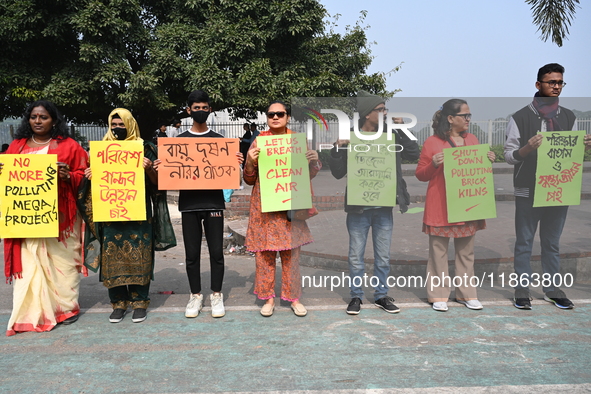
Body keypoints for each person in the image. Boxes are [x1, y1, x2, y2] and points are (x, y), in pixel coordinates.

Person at [504, 63, 591, 310]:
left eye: (560, 82)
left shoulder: (569, 117)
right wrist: (527, 148)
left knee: (552, 243)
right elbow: (509, 156)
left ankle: (552, 289)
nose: (556, 86)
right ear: (538, 84)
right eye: (551, 82)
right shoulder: (519, 117)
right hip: (528, 190)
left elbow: (571, 155)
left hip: (558, 189)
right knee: (524, 241)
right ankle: (521, 289)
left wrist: (583, 146)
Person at [79, 108, 176, 323]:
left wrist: (149, 168)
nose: (117, 129)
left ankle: (140, 301)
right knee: (112, 256)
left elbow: (159, 185)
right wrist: (91, 176)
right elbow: (94, 185)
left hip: (138, 214)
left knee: (140, 255)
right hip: (110, 214)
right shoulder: (101, 150)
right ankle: (118, 302)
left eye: (121, 125)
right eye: (113, 125)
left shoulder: (145, 148)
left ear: (130, 125)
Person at [2, 100, 88, 336]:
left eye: (43, 117)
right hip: (28, 219)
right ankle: (31, 314)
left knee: (63, 263)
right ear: (28, 120)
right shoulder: (17, 146)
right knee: (31, 266)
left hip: (62, 219)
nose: (38, 121)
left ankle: (66, 309)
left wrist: (68, 175)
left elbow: (85, 174)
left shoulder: (68, 145)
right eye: (33, 117)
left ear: (54, 120)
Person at [329, 91, 419, 315]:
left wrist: (401, 127)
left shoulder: (391, 134)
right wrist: (339, 148)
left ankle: (381, 295)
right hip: (358, 209)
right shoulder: (351, 136)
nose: (385, 113)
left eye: (385, 109)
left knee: (383, 256)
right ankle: (356, 296)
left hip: (383, 208)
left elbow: (413, 152)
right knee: (356, 255)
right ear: (368, 114)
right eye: (381, 109)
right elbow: (338, 173)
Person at [416, 99, 495, 312]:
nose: (469, 119)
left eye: (469, 115)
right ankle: (438, 295)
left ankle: (467, 294)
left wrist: (488, 159)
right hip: (441, 207)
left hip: (468, 205)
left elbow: (478, 171)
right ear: (451, 119)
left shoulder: (473, 139)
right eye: (465, 115)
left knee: (466, 253)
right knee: (438, 253)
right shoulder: (432, 142)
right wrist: (433, 164)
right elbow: (420, 174)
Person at [243, 100, 320, 317]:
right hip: (265, 209)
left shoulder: (297, 142)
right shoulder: (258, 142)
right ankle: (268, 298)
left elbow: (308, 175)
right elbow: (249, 179)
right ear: (266, 117)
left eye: (280, 114)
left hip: (290, 209)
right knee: (265, 256)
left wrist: (314, 161)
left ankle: (293, 298)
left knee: (291, 255)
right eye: (271, 114)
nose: (275, 117)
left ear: (288, 116)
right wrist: (249, 162)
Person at [177, 90, 243, 319]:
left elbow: (234, 178)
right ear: (188, 110)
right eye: (196, 108)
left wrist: (237, 165)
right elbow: (170, 173)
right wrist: (161, 167)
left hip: (213, 203)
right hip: (188, 205)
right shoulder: (179, 142)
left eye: (205, 108)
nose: (201, 111)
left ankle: (216, 294)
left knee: (217, 252)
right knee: (191, 254)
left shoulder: (219, 141)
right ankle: (195, 295)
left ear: (210, 110)